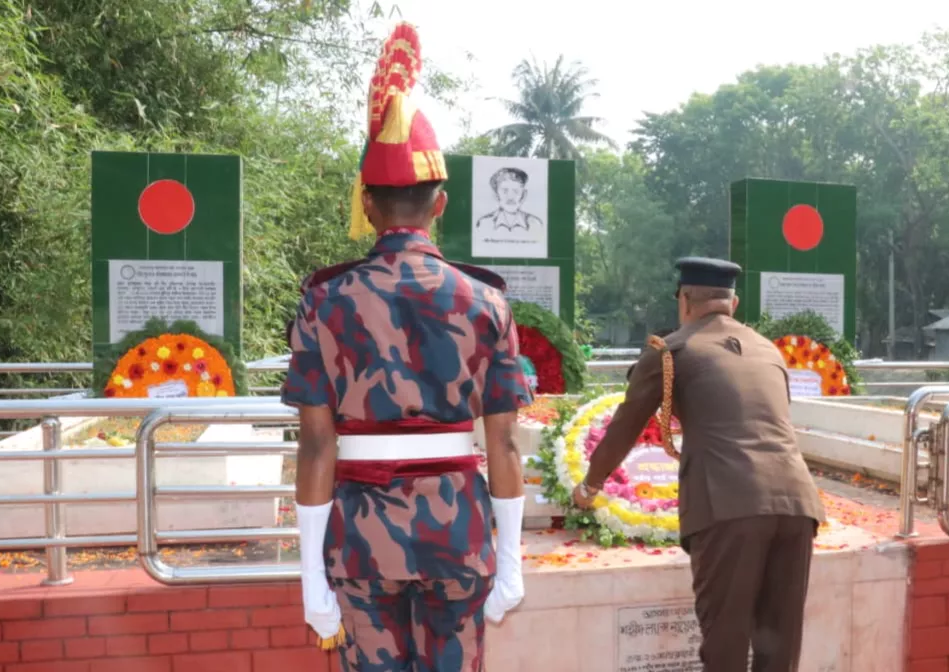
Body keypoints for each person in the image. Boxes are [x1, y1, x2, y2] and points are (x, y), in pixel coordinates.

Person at [282, 21, 532, 672]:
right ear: (440, 203)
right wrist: (510, 559)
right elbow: (502, 442)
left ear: (366, 204)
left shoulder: (326, 300)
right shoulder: (486, 301)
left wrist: (312, 578)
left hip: (362, 536)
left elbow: (315, 444)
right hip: (458, 532)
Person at [571, 257, 824, 672]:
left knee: (725, 643)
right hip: (797, 506)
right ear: (734, 303)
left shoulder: (671, 351)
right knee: (779, 646)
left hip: (729, 507)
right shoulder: (769, 350)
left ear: (685, 301)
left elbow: (624, 427)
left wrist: (589, 488)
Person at [474, 167, 545, 232]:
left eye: (516, 191)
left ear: (524, 195)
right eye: (505, 191)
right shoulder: (484, 223)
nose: (510, 197)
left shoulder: (535, 224)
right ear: (496, 195)